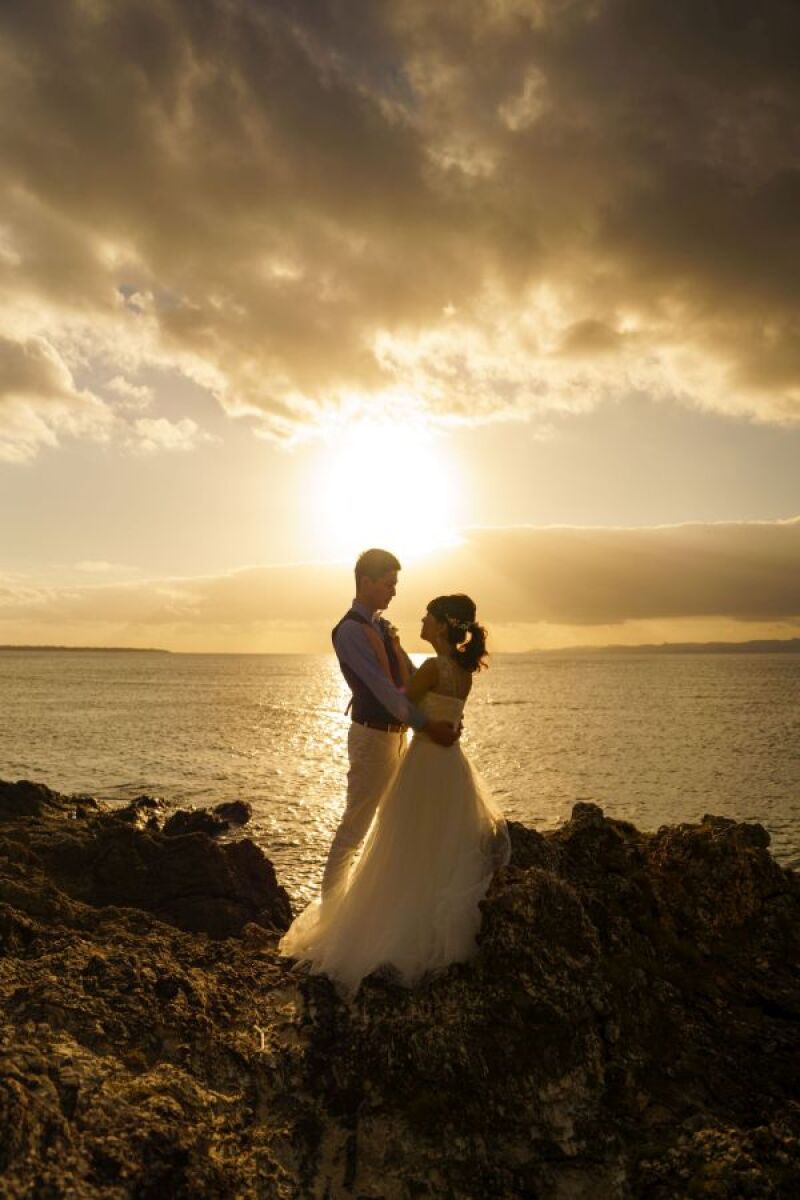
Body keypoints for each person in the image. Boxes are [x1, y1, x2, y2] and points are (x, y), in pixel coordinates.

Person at [279, 592, 511, 997]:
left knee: (401, 840)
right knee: (437, 844)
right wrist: (401, 650)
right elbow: (428, 697)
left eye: (427, 617)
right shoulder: (460, 671)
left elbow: (401, 700)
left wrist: (393, 667)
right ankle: (423, 921)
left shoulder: (434, 668)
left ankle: (372, 926)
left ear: (440, 625)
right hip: (451, 765)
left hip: (422, 760)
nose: (421, 619)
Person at [319, 548, 459, 901]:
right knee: (354, 829)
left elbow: (408, 679)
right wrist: (428, 726)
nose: (394, 591)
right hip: (372, 737)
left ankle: (376, 906)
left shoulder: (380, 627)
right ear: (366, 582)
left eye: (395, 584)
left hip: (397, 739)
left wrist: (445, 711)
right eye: (388, 584)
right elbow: (384, 692)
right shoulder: (351, 631)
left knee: (396, 824)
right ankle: (332, 916)